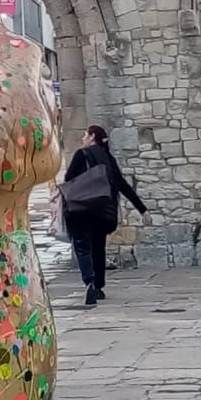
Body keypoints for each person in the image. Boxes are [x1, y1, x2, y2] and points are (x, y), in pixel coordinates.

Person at [63, 125, 147, 308]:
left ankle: (89, 282)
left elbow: (69, 178)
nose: (83, 138)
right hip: (102, 211)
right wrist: (141, 208)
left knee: (82, 246)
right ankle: (99, 287)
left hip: (82, 209)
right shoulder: (108, 158)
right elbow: (123, 185)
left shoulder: (81, 155)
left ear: (92, 137)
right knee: (98, 247)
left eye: (85, 135)